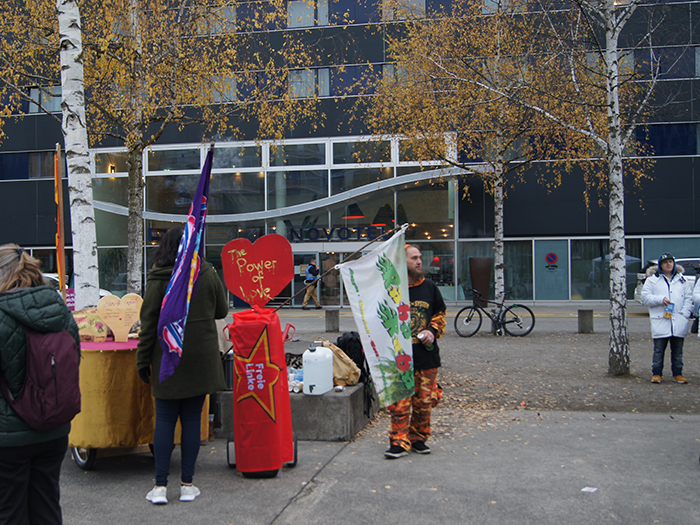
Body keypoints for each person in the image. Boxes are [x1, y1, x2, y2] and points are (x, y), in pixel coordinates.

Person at [136, 227, 228, 504]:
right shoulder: (206, 273)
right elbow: (221, 311)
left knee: (164, 420)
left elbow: (148, 323)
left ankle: (160, 487)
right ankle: (188, 485)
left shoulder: (158, 277)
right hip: (200, 357)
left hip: (167, 356)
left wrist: (142, 360)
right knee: (191, 420)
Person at [0, 244, 80, 523]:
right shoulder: (59, 311)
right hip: (54, 429)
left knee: (10, 511)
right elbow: (73, 361)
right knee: (47, 506)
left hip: (9, 437)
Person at [385, 244, 446, 459]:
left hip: (426, 356)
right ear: (403, 262)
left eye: (420, 258)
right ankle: (399, 441)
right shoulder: (392, 289)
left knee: (424, 402)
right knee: (400, 403)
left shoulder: (429, 287)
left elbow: (440, 313)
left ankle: (418, 438)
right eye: (414, 258)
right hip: (400, 358)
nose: (419, 262)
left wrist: (432, 330)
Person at [641, 252, 692, 384]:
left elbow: (688, 298)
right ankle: (657, 373)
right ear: (660, 265)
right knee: (659, 350)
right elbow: (645, 297)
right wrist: (660, 299)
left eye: (670, 262)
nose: (668, 264)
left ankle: (678, 373)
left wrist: (685, 313)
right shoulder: (652, 280)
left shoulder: (682, 280)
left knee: (677, 350)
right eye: (665, 262)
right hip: (661, 319)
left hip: (678, 319)